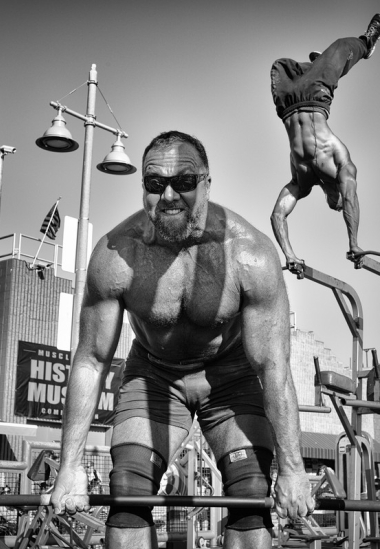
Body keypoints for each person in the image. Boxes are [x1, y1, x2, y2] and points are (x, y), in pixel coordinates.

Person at [50, 131, 314, 549]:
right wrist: (70, 466)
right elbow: (90, 361)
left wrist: (294, 469)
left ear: (207, 183)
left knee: (249, 495)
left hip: (232, 377)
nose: (169, 195)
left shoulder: (251, 255)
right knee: (128, 491)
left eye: (184, 182)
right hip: (155, 375)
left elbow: (273, 367)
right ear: (144, 188)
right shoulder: (118, 256)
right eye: (155, 184)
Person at [269, 14, 380, 277]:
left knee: (279, 66)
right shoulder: (342, 164)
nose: (336, 204)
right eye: (340, 204)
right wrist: (354, 243)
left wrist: (290, 256)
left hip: (287, 104)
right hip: (316, 95)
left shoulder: (302, 182)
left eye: (333, 205)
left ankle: (318, 64)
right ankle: (366, 43)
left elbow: (277, 214)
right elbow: (352, 199)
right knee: (342, 46)